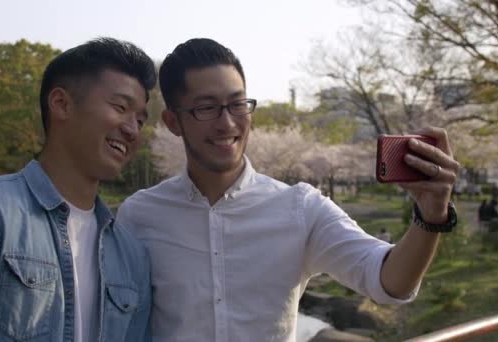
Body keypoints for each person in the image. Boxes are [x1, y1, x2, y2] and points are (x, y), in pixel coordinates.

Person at [116, 38, 460, 341]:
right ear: (173, 123)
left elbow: (388, 282)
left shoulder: (300, 208)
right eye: (207, 108)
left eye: (237, 103)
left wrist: (430, 216)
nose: (228, 122)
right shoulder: (140, 215)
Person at [0, 37, 155, 341]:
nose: (132, 129)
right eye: (120, 107)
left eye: (141, 120)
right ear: (61, 104)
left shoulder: (131, 253)